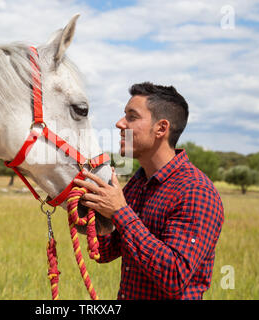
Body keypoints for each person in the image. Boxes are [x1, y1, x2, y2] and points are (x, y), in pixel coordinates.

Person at [73, 82, 224, 300]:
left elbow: (174, 276)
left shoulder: (196, 191)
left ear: (161, 128)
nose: (119, 124)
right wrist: (78, 200)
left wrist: (120, 212)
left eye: (131, 117)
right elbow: (105, 251)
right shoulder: (139, 183)